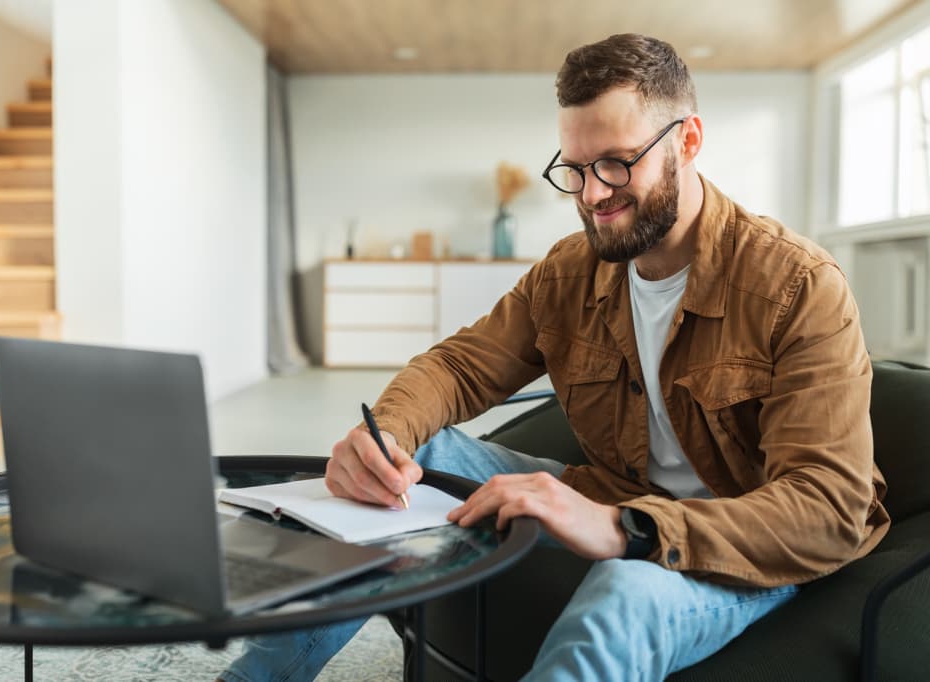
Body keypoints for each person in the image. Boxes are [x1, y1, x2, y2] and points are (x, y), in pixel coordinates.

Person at [219, 33, 889, 681]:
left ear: (687, 140)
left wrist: (624, 526)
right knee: (419, 459)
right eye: (574, 169)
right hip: (616, 495)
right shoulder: (573, 270)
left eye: (618, 164)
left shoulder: (797, 284)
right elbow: (459, 367)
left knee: (629, 594)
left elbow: (826, 508)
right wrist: (386, 436)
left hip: (738, 538)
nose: (592, 195)